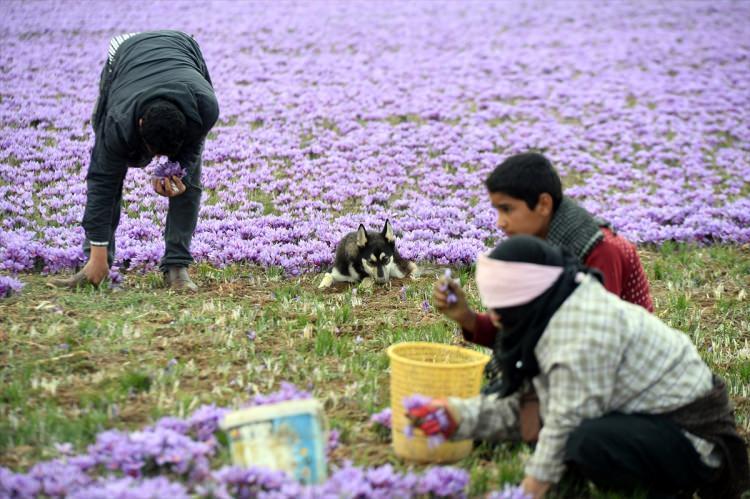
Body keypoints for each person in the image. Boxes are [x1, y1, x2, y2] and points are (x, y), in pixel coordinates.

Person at [417, 236, 748, 498]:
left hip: (694, 438)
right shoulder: (556, 304)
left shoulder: (579, 332)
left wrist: (529, 491)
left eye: (502, 306)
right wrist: (457, 416)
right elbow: (530, 408)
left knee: (586, 442)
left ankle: (667, 487)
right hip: (644, 416)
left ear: (527, 297)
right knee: (544, 420)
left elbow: (561, 420)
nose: (496, 317)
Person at [51, 30, 219, 291]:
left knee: (189, 176)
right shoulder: (119, 120)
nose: (153, 160)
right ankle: (96, 262)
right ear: (139, 124)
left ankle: (177, 266)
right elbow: (101, 180)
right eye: (151, 152)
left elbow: (191, 147)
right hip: (125, 53)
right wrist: (97, 248)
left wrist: (180, 171)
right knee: (110, 168)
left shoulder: (204, 106)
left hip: (182, 48)